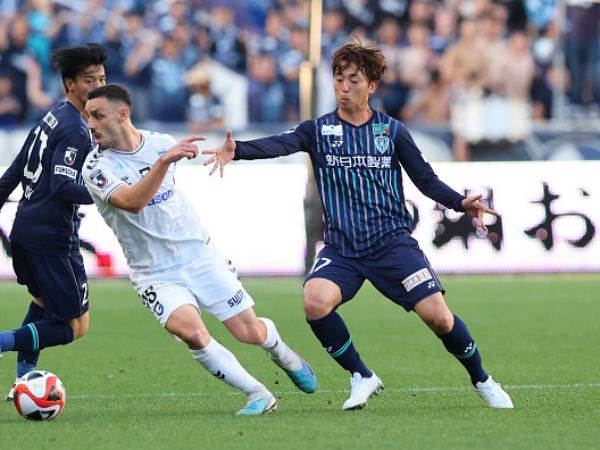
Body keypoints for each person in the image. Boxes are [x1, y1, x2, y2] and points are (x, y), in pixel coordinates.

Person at [202, 42, 514, 410]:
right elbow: (280, 145)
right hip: (342, 249)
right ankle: (361, 375)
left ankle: (483, 380)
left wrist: (460, 203)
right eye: (338, 79)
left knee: (440, 319)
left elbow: (425, 180)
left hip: (391, 244)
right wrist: (236, 150)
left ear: (373, 86)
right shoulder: (317, 131)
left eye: (353, 79)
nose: (343, 87)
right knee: (314, 302)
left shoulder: (391, 131)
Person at [81, 84, 317, 416]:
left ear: (123, 114)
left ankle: (279, 349)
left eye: (97, 115)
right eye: (88, 117)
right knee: (190, 332)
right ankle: (258, 393)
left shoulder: (160, 143)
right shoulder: (96, 168)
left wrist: (216, 153)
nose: (90, 124)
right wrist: (163, 163)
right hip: (154, 273)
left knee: (248, 332)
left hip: (199, 255)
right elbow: (132, 203)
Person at [0, 44, 107, 400]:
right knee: (75, 326)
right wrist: (108, 194)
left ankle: (22, 380)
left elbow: (15, 169)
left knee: (43, 303)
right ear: (69, 84)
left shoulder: (54, 115)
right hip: (52, 238)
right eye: (89, 80)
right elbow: (63, 187)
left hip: (25, 231)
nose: (98, 86)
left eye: (103, 79)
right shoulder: (76, 130)